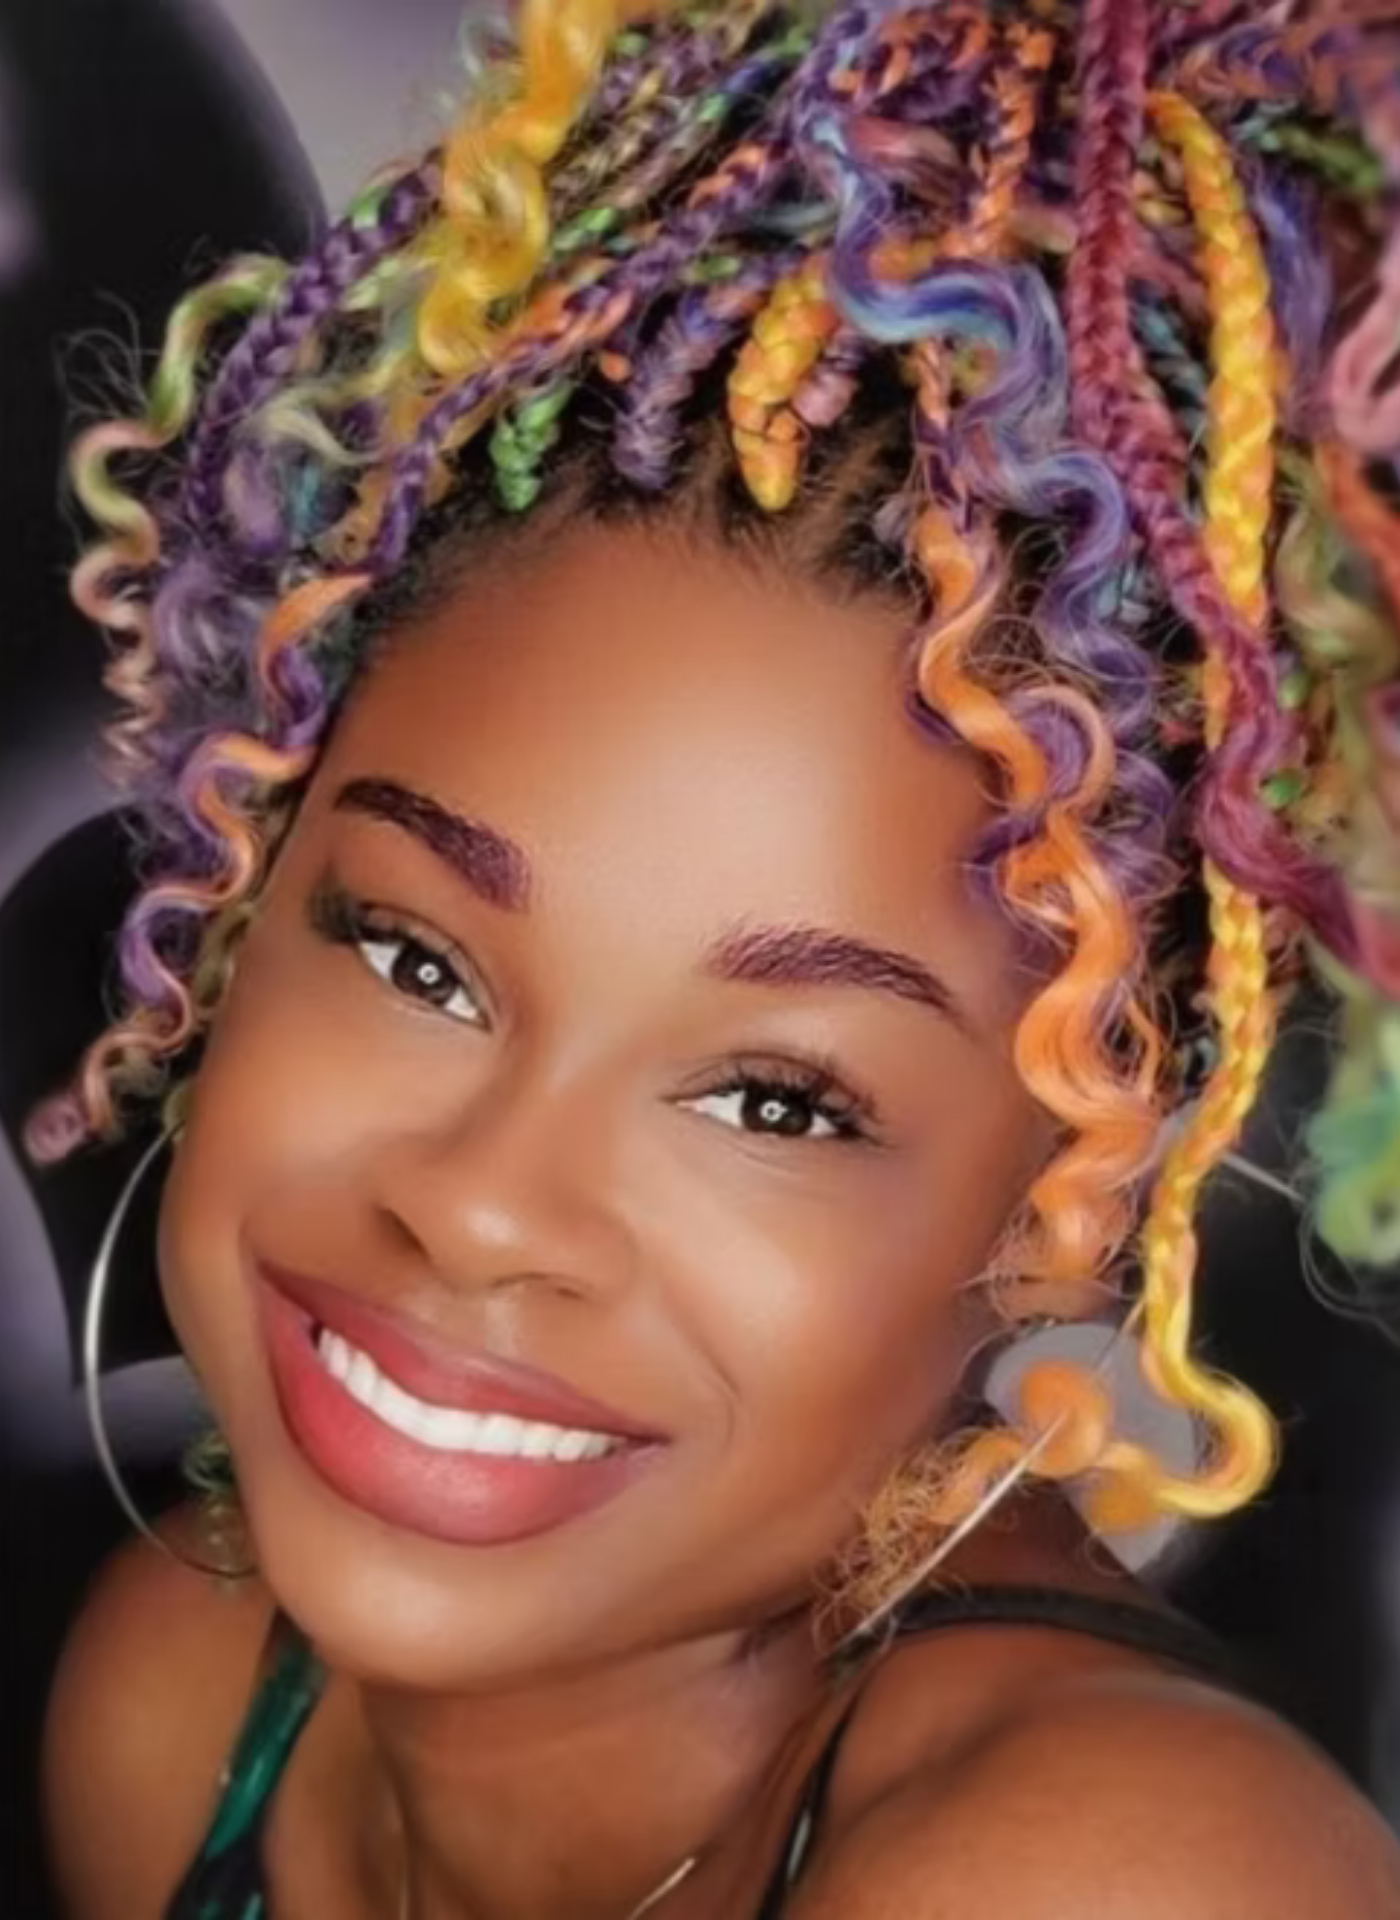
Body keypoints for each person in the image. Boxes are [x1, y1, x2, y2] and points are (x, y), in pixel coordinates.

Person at [31, 0, 1400, 1914]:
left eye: (776, 1102)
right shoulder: (174, 1697)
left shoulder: (1119, 1878)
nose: (483, 1208)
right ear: (246, 895)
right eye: (419, 960)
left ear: (1069, 1211)